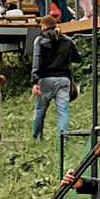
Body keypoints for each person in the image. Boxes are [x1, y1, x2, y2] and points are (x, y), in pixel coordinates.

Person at [26, 12, 78, 141]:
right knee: (63, 111)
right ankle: (63, 140)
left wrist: (35, 81)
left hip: (45, 80)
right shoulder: (67, 40)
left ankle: (37, 138)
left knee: (40, 110)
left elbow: (37, 60)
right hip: (64, 80)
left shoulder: (39, 40)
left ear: (43, 26)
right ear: (55, 25)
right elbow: (78, 57)